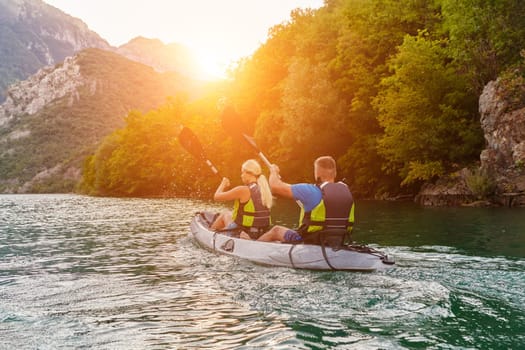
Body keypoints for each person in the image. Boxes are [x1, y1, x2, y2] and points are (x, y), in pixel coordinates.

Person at [257, 156, 354, 244]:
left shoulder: (310, 191)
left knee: (276, 230)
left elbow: (275, 186)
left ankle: (252, 247)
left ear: (317, 174)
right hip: (338, 241)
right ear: (335, 173)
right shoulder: (346, 191)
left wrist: (274, 172)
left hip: (309, 241)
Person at [210, 159, 273, 239]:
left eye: (242, 172)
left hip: (243, 232)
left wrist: (223, 184)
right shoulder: (265, 190)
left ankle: (209, 235)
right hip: (262, 233)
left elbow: (216, 197)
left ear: (249, 173)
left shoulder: (243, 190)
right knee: (228, 214)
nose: (241, 175)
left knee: (224, 214)